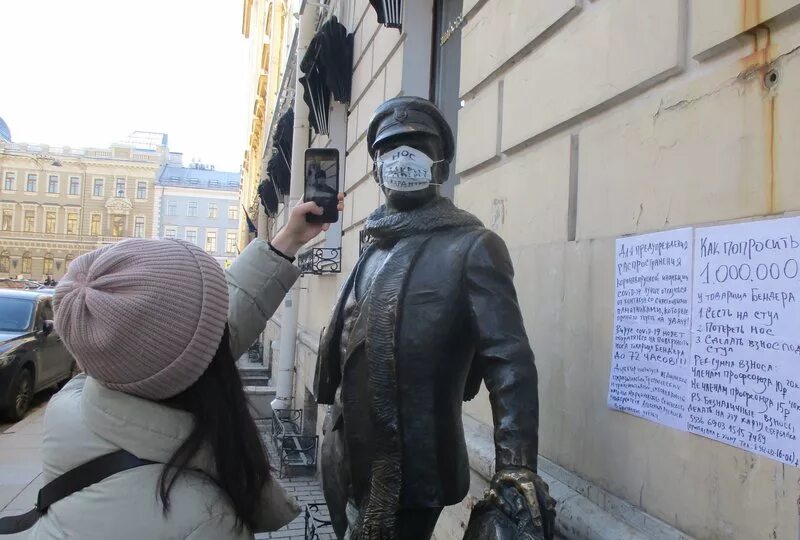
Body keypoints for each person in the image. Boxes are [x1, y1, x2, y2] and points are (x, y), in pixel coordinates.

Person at [27, 195, 344, 539]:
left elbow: (198, 339)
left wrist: (287, 241)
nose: (221, 334)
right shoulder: (203, 521)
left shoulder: (80, 400)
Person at [315, 97, 553, 539]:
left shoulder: (472, 247)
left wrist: (516, 468)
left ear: (440, 165)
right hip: (347, 462)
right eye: (391, 149)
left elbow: (509, 361)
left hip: (413, 471)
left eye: (418, 146)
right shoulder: (374, 245)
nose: (404, 160)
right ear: (376, 166)